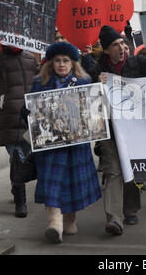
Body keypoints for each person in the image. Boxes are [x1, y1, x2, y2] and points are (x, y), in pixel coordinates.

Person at [88, 25, 146, 235]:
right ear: (106, 50)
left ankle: (130, 209)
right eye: (115, 45)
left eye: (123, 43)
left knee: (130, 169)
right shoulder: (97, 70)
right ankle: (114, 219)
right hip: (110, 130)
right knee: (114, 171)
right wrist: (97, 83)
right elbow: (88, 96)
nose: (121, 47)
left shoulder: (137, 63)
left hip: (133, 129)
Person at [28, 41, 101, 244]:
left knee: (72, 186)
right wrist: (25, 112)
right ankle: (55, 224)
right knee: (51, 183)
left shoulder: (83, 82)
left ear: (72, 63)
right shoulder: (39, 82)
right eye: (57, 60)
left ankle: (69, 221)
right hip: (50, 146)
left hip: (76, 145)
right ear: (51, 63)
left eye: (65, 60)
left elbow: (93, 112)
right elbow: (28, 111)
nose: (61, 64)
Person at [0, 34, 38, 218]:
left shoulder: (30, 58)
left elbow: (39, 82)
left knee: (27, 155)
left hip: (30, 115)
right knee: (17, 157)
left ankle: (17, 187)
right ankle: (20, 200)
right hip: (9, 115)